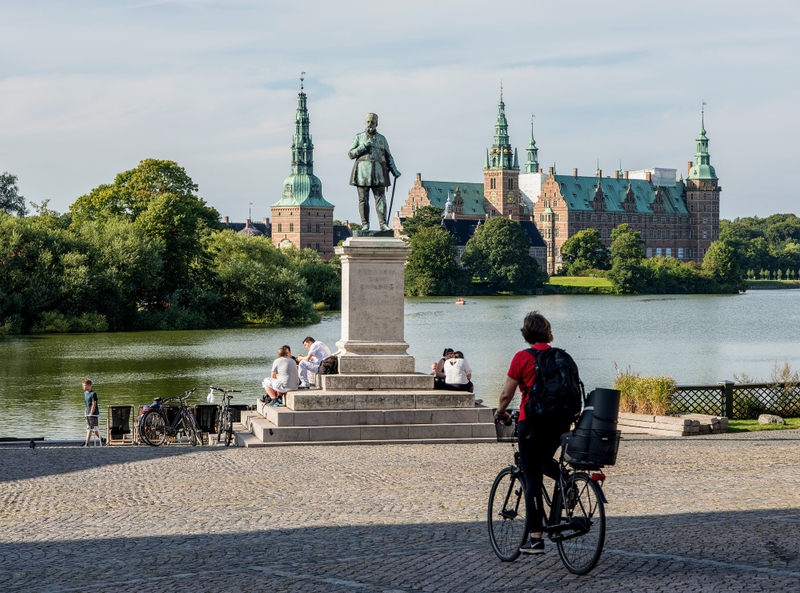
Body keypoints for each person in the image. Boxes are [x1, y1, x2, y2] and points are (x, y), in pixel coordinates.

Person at [494, 311, 572, 555]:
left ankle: (536, 538)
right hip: (560, 422)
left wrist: (500, 412)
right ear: (548, 332)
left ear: (525, 334)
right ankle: (566, 481)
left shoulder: (522, 357)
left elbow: (507, 394)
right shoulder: (562, 356)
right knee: (544, 460)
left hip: (533, 423)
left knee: (532, 476)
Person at [348, 113, 401, 231]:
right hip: (362, 172)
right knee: (363, 200)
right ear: (364, 123)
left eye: (372, 122)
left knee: (381, 198)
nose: (369, 124)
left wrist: (394, 170)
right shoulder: (359, 137)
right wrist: (363, 147)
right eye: (367, 122)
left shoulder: (382, 139)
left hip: (379, 172)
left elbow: (389, 156)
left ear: (376, 124)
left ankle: (383, 224)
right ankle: (365, 224)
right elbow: (351, 154)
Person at [82, 379, 103, 447]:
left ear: (89, 385)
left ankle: (86, 443)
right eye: (83, 386)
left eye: (84, 385)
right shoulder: (85, 393)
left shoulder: (93, 394)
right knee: (92, 428)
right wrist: (85, 412)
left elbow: (94, 404)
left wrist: (91, 413)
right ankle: (101, 439)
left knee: (90, 428)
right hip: (88, 413)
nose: (83, 387)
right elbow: (86, 404)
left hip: (93, 413)